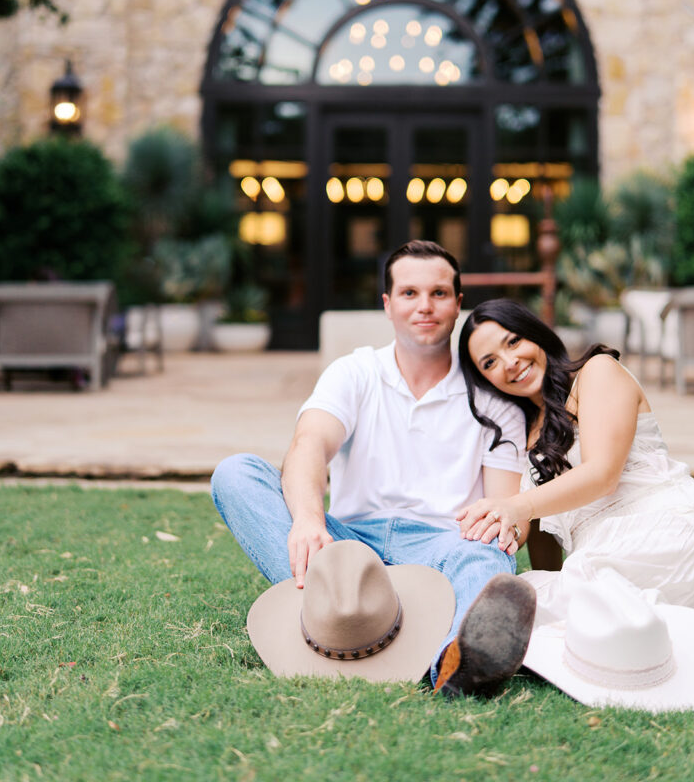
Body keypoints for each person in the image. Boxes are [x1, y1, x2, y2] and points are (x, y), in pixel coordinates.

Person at [211, 241, 536, 695]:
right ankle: (347, 607)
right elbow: (309, 445)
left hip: (443, 548)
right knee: (236, 473)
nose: (425, 306)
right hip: (348, 548)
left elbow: (505, 510)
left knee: (490, 548)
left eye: (439, 294)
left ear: (459, 303)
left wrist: (500, 531)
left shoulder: (493, 396)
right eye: (409, 294)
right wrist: (307, 521)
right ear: (387, 304)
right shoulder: (356, 371)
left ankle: (454, 662)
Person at [455, 298, 694, 677]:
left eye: (513, 342)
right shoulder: (522, 435)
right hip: (599, 565)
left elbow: (602, 474)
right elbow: (541, 528)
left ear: (537, 336)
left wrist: (517, 506)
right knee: (528, 590)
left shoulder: (598, 372)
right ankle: (629, 637)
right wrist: (499, 526)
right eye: (490, 362)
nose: (509, 362)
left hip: (669, 536)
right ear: (484, 380)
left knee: (557, 605)